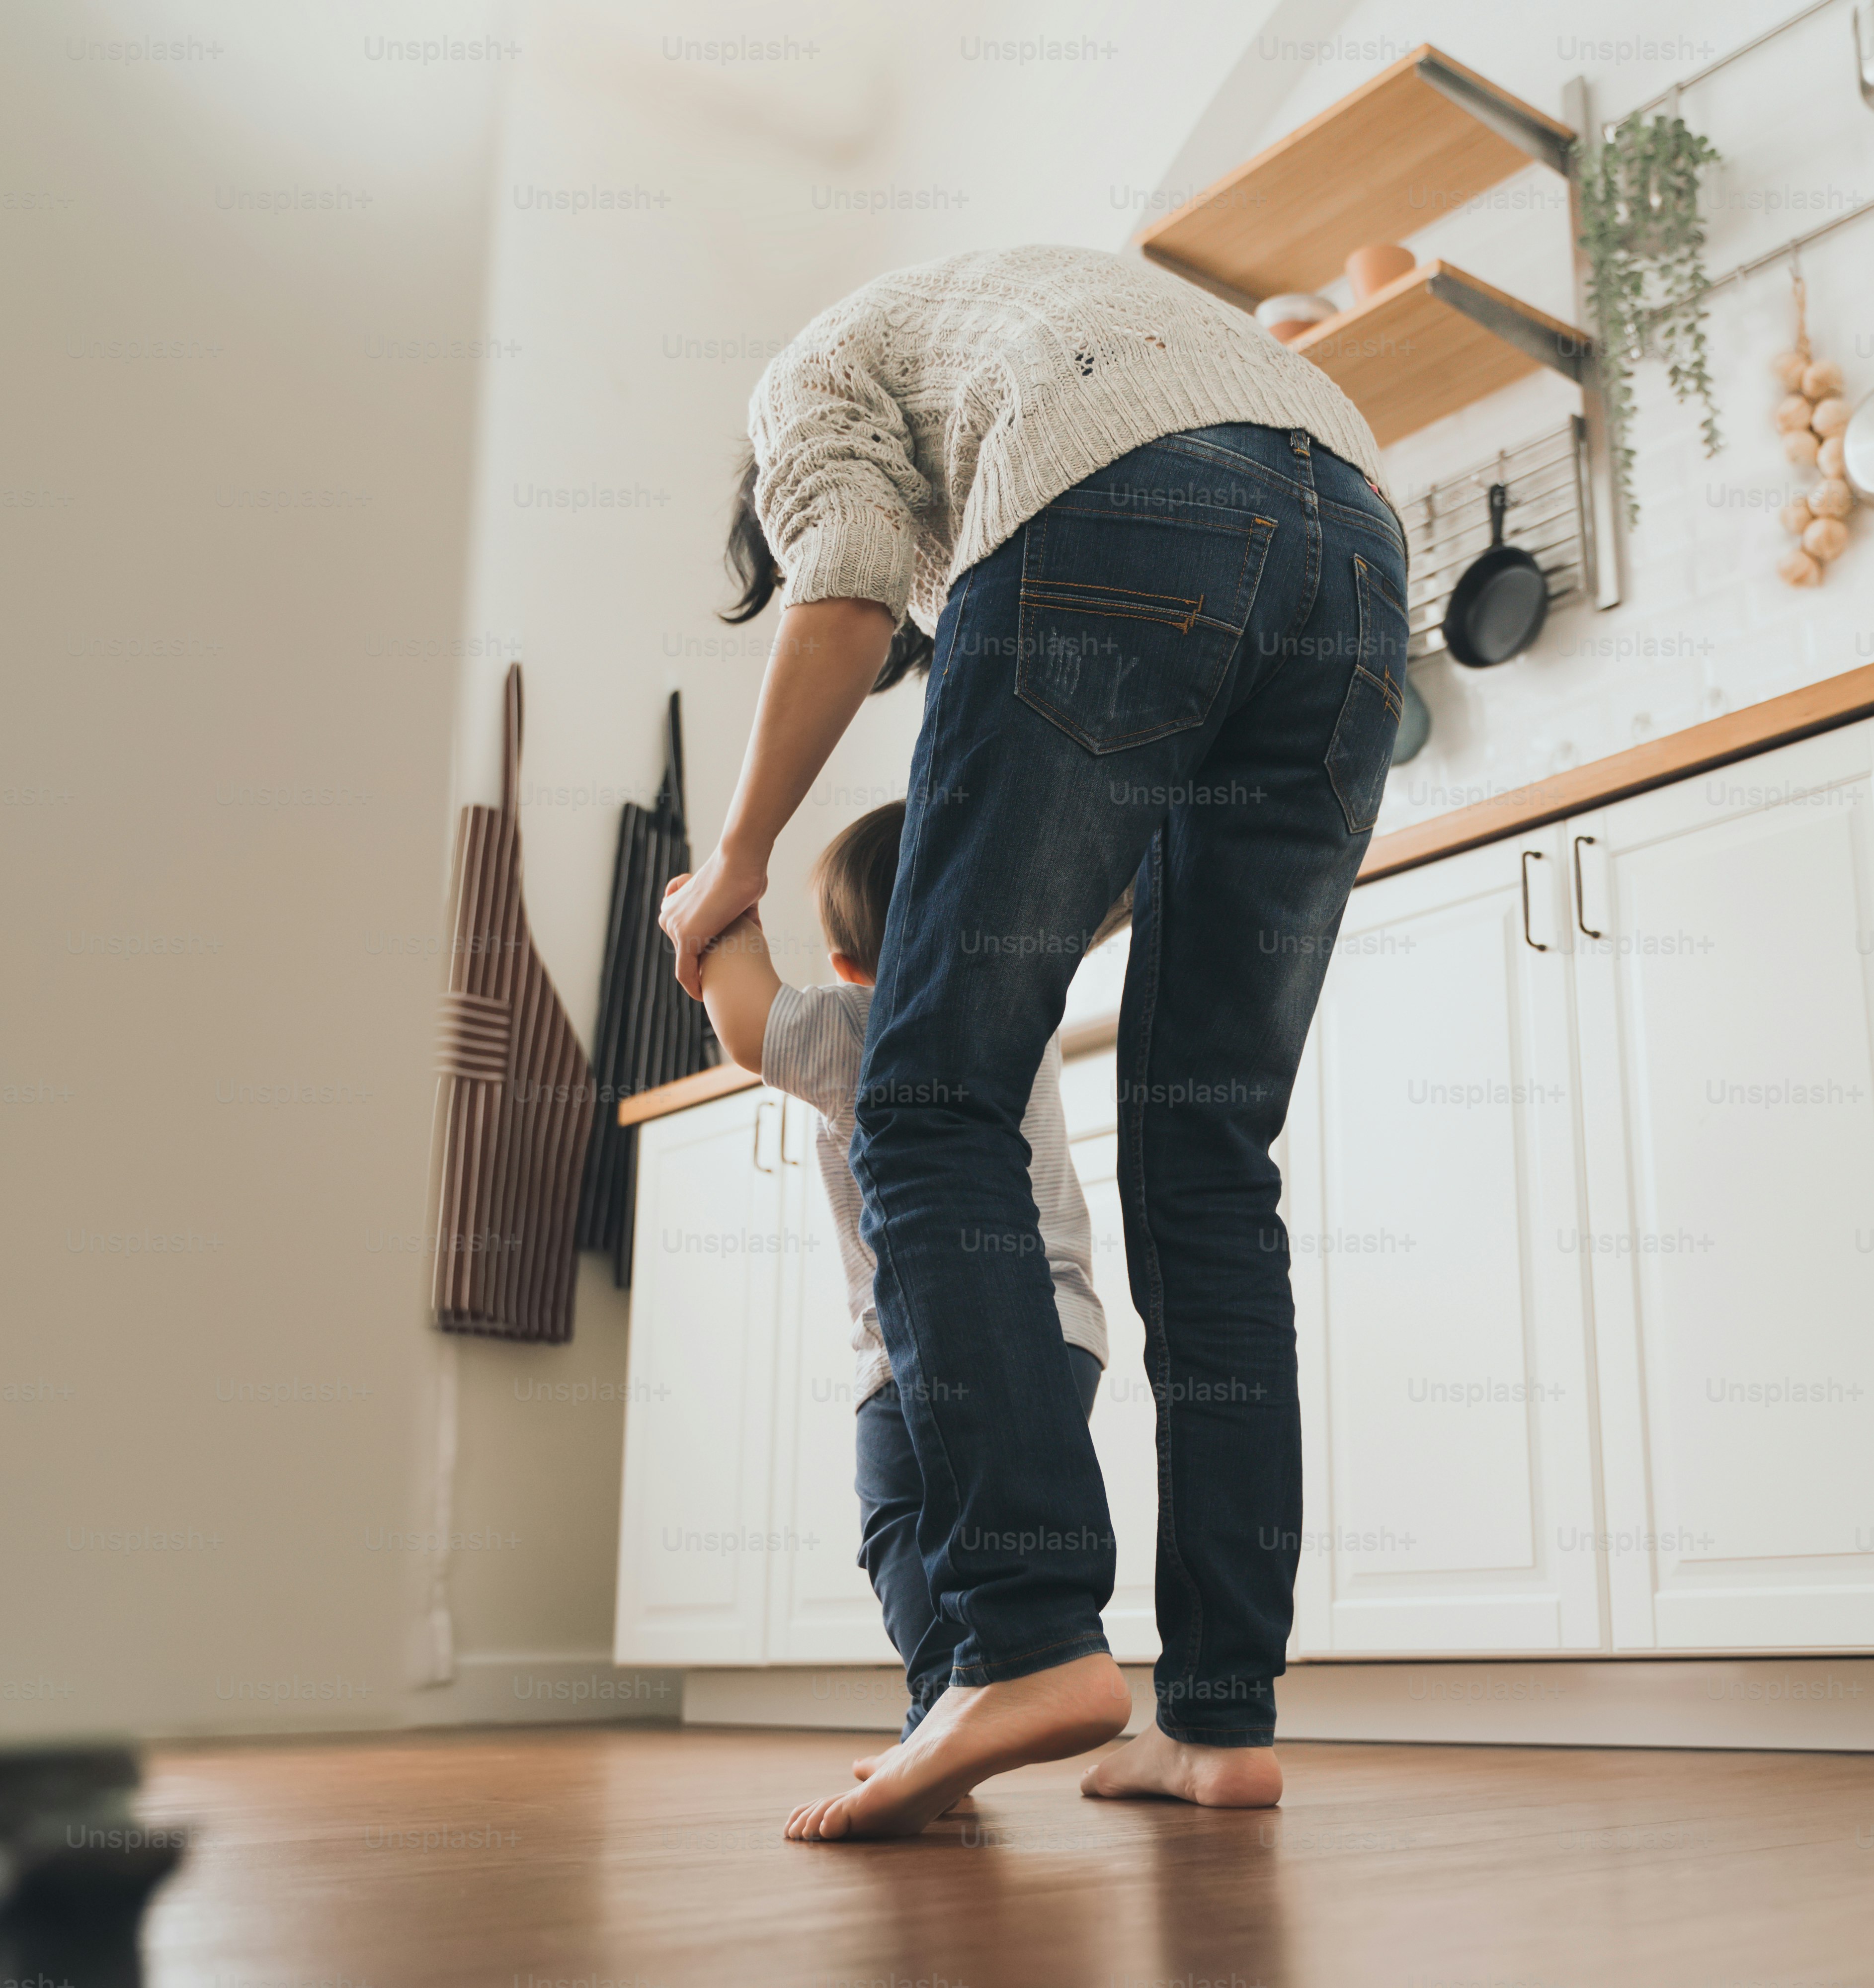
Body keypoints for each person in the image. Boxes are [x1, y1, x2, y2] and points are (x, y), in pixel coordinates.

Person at [660, 242, 1406, 1842]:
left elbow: (848, 574)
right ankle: (1217, 1718)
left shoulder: (809, 382)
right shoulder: (1032, 318)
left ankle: (1019, 1642)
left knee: (927, 1103)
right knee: (1210, 1160)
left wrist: (733, 861)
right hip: (1358, 541)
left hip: (1120, 506)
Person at [693, 802, 1115, 1778]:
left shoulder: (866, 1021)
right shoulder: (1023, 1014)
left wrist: (711, 906)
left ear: (847, 964)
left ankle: (941, 1712)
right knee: (996, 1518)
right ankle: (1007, 1677)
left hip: (923, 1341)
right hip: (1068, 1329)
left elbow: (748, 1025)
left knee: (903, 1529)